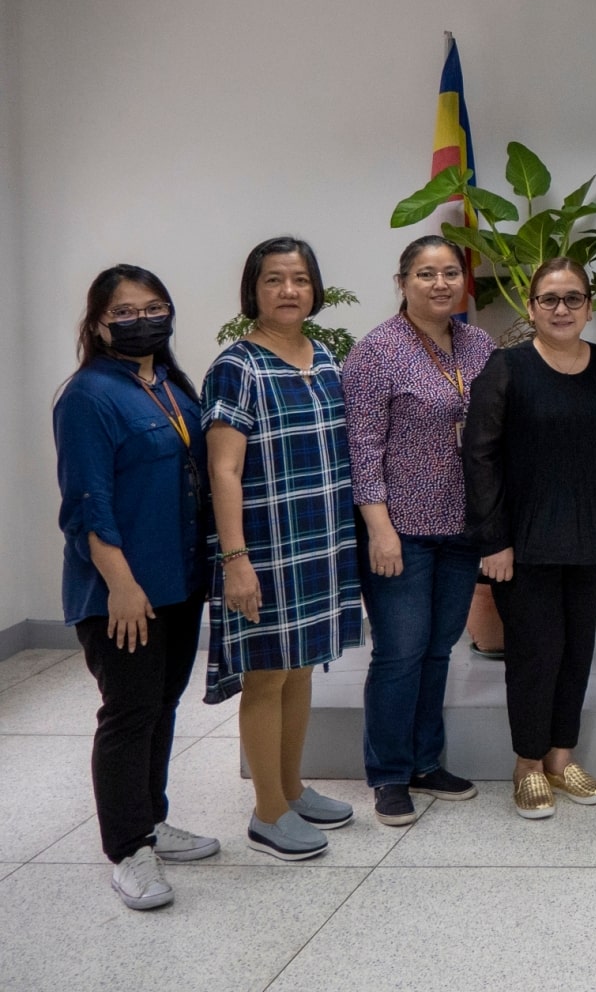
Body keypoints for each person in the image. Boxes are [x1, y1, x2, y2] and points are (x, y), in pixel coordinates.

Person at [54, 266, 219, 910]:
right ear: (97, 323)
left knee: (162, 704)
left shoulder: (171, 387)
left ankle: (151, 819)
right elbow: (87, 504)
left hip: (178, 582)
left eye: (154, 307)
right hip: (123, 593)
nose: (142, 319)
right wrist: (120, 585)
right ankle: (128, 851)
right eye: (125, 311)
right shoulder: (88, 396)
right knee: (127, 714)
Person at [202, 237, 363, 861]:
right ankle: (267, 812)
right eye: (274, 280)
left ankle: (292, 788)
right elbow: (224, 472)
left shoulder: (322, 358)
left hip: (317, 543)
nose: (289, 290)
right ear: (254, 291)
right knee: (266, 674)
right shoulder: (237, 366)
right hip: (263, 549)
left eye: (299, 279)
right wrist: (235, 561)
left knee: (300, 668)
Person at [468, 260, 596, 821]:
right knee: (534, 652)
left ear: (590, 307)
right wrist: (493, 539)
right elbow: (480, 458)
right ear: (531, 307)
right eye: (550, 300)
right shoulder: (507, 367)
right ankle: (526, 766)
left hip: (591, 531)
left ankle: (562, 758)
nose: (562, 309)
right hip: (525, 539)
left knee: (578, 649)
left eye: (573, 299)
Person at [341, 235, 495, 827]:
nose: (440, 284)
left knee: (438, 650)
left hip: (463, 527)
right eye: (426, 273)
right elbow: (363, 449)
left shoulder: (478, 344)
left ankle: (426, 762)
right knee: (399, 653)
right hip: (401, 528)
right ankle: (387, 774)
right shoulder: (376, 351)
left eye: (451, 273)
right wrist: (378, 529)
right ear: (403, 281)